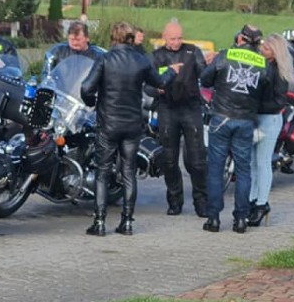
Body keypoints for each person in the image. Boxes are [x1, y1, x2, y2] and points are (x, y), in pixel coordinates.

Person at [80, 22, 177, 237]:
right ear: (132, 38)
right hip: (133, 124)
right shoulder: (141, 60)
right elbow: (159, 83)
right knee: (128, 173)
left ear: (113, 37)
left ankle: (99, 222)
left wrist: (92, 102)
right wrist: (171, 71)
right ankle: (127, 222)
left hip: (108, 123)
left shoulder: (104, 59)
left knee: (103, 173)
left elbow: (86, 87)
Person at [200, 24, 270, 234]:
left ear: (240, 38)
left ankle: (213, 219)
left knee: (215, 169)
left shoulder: (225, 55)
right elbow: (265, 92)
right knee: (243, 170)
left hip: (221, 118)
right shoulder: (263, 63)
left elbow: (205, 79)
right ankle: (241, 219)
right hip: (245, 121)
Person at [147, 21, 209, 217]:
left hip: (191, 108)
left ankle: (201, 201)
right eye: (172, 38)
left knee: (197, 160)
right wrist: (155, 89)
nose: (176, 42)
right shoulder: (156, 57)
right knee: (169, 159)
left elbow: (205, 75)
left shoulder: (192, 52)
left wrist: (210, 64)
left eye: (179, 37)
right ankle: (175, 201)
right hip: (167, 108)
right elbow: (146, 84)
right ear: (164, 38)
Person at [248, 33, 294, 227]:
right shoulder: (261, 66)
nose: (261, 50)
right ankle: (252, 199)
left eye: (266, 48)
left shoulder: (279, 73)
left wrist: (255, 104)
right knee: (252, 162)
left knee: (263, 162)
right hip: (255, 117)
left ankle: (261, 202)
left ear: (275, 53)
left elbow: (278, 102)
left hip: (268, 119)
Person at [41, 20, 106, 80]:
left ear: (87, 38)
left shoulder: (99, 56)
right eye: (72, 39)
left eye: (78, 40)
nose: (74, 43)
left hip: (87, 91)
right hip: (60, 91)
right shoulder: (56, 51)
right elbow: (46, 74)